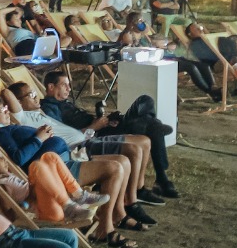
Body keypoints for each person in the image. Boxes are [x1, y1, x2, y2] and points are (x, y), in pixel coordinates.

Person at [0, 93, 142, 245]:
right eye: (2, 110)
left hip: (63, 160)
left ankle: (117, 215)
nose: (7, 112)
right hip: (55, 170)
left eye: (6, 108)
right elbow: (18, 158)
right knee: (114, 168)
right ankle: (105, 230)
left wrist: (38, 136)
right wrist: (38, 138)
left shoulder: (7, 129)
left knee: (123, 162)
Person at [38, 70, 177, 202]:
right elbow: (65, 137)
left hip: (103, 128)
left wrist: (106, 120)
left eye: (69, 85)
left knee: (145, 101)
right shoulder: (50, 109)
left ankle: (155, 129)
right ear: (51, 87)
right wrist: (94, 127)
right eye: (64, 85)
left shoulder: (63, 102)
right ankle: (161, 178)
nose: (69, 89)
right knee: (149, 124)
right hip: (95, 137)